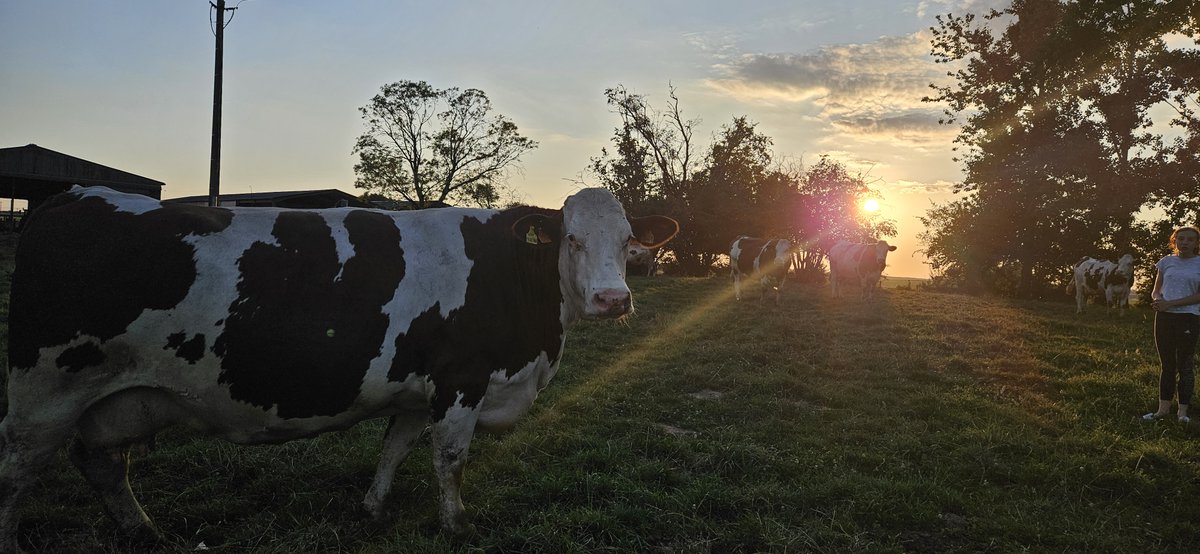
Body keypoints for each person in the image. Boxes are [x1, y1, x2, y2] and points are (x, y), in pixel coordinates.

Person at [1144, 226, 1200, 423]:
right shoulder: (1166, 262)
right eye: (1181, 239)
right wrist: (1158, 300)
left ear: (1196, 243)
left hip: (1188, 318)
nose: (1185, 242)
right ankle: (1162, 410)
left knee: (1184, 365)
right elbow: (1156, 289)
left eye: (1190, 240)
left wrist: (1172, 303)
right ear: (1174, 241)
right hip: (1164, 318)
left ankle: (1182, 413)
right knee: (1167, 365)